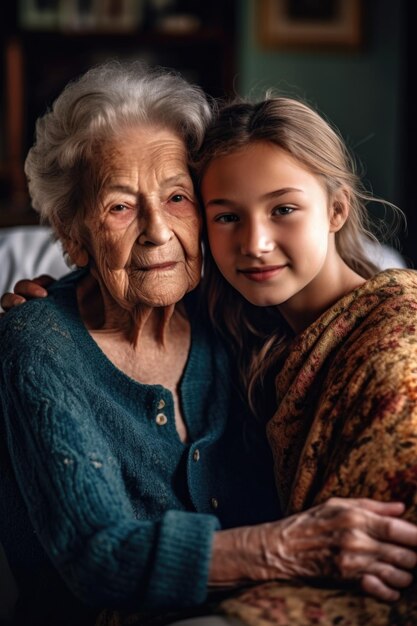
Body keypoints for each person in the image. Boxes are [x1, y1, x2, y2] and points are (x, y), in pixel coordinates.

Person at [1, 64, 417, 626]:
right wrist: (284, 547)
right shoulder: (37, 345)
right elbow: (97, 558)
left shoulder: (231, 309)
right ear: (73, 237)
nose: (156, 231)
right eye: (120, 207)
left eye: (177, 197)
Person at [196, 96, 417, 624]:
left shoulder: (395, 335)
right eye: (227, 216)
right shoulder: (243, 333)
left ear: (337, 209)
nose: (255, 242)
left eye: (283, 209)